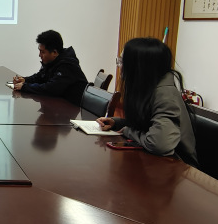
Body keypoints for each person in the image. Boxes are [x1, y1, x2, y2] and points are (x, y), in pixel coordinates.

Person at [96, 37, 198, 167]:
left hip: (178, 168)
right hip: (155, 163)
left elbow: (159, 144)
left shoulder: (165, 95)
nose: (120, 67)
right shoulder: (148, 87)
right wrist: (117, 123)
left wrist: (128, 131)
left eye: (122, 61)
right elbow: (148, 124)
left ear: (139, 67)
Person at [12, 30, 88, 105]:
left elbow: (51, 88)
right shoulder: (53, 61)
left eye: (42, 52)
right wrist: (25, 80)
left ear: (54, 52)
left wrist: (25, 87)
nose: (39, 55)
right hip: (59, 104)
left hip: (75, 108)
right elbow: (40, 76)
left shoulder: (67, 65)